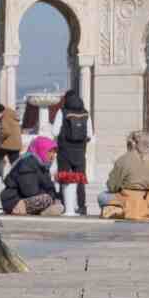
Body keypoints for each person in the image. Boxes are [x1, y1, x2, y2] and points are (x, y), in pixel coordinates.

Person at [52, 86, 91, 214]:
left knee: (64, 177)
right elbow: (89, 134)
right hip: (80, 152)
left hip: (64, 151)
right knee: (80, 179)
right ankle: (82, 206)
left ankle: (65, 205)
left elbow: (55, 131)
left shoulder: (62, 111)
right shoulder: (85, 113)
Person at [2, 134, 62, 216]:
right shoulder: (27, 163)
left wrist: (54, 196)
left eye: (54, 152)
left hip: (31, 198)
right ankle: (19, 209)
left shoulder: (42, 166)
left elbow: (49, 188)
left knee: (58, 202)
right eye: (50, 151)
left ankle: (42, 211)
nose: (53, 156)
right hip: (14, 201)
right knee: (46, 199)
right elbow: (30, 191)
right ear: (41, 150)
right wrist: (50, 196)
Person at [0, 103, 23, 179]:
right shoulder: (12, 114)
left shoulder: (5, 117)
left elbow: (6, 131)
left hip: (7, 144)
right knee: (15, 163)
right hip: (16, 144)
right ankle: (19, 178)